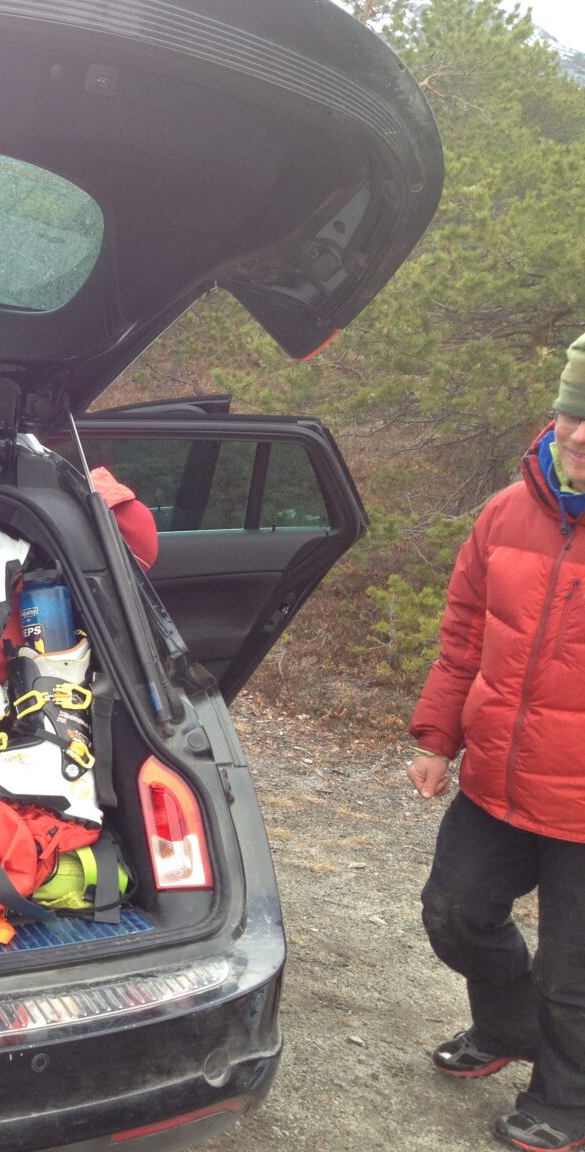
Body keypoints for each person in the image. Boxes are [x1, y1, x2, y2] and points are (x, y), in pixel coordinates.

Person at [407, 330, 585, 1152]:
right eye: (570, 413)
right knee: (455, 912)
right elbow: (464, 636)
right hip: (499, 777)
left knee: (574, 974)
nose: (579, 434)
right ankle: (511, 1027)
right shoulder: (506, 513)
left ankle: (568, 1098)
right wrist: (438, 737)